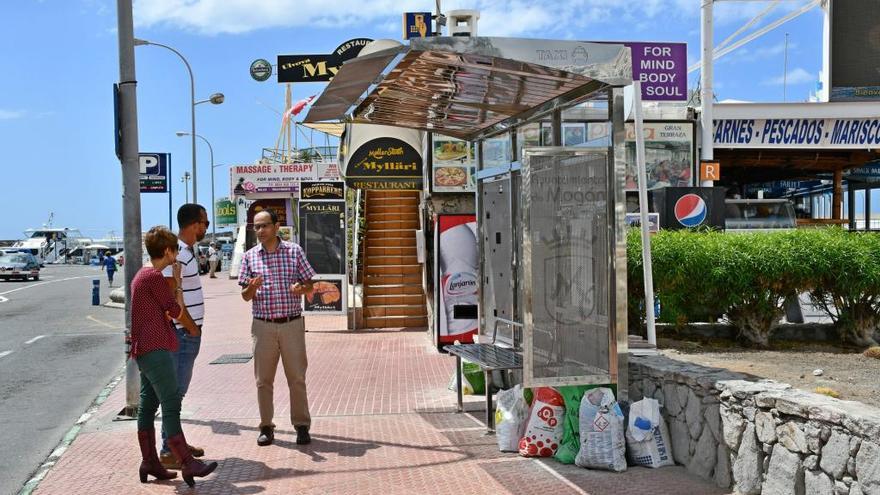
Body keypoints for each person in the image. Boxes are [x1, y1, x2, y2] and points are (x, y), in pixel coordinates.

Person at [130, 226, 217, 487]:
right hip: (156, 349)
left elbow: (166, 309)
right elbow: (174, 310)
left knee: (148, 405)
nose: (177, 254)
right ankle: (186, 462)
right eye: (175, 250)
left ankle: (150, 462)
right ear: (167, 251)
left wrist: (175, 285)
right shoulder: (154, 277)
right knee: (170, 403)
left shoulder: (143, 275)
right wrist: (178, 285)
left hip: (144, 349)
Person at [238, 209, 316, 447]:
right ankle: (266, 426)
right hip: (263, 326)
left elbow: (309, 284)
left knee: (297, 378)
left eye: (264, 226)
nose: (260, 231)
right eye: (256, 227)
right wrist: (251, 287)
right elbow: (244, 295)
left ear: (277, 226)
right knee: (263, 380)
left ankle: (301, 426)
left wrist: (301, 289)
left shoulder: (294, 251)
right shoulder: (250, 256)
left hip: (292, 323)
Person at [158, 204, 209, 469]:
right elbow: (170, 297)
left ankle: (175, 441)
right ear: (194, 224)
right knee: (174, 394)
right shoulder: (177, 254)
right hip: (181, 334)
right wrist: (191, 326)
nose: (205, 228)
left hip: (187, 333)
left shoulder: (187, 252)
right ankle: (169, 449)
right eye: (205, 223)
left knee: (178, 393)